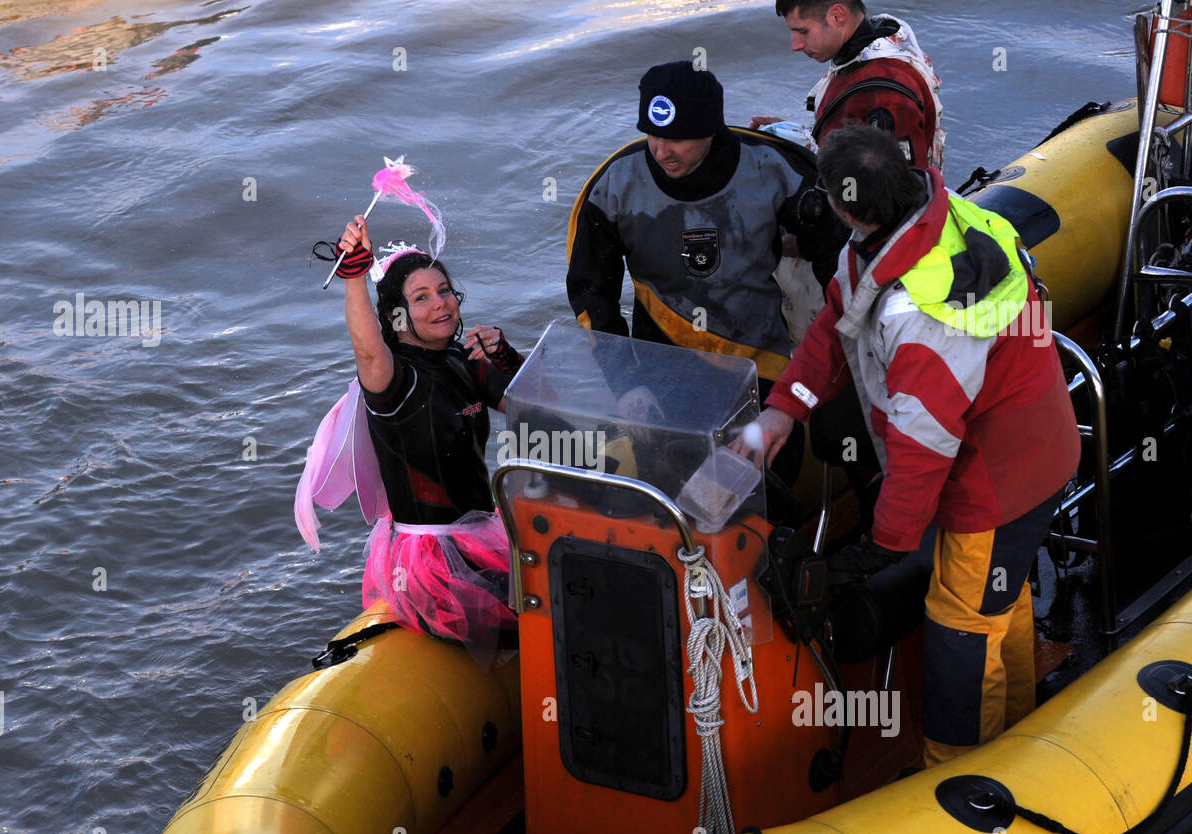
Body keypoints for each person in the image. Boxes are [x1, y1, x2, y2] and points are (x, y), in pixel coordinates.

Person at [735, 124, 1079, 767]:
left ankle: (958, 770)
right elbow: (836, 325)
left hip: (1001, 479)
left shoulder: (922, 318)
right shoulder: (917, 224)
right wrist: (785, 409)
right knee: (1002, 597)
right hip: (1034, 446)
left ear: (844, 207)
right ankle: (1024, 732)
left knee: (961, 624)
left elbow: (922, 451)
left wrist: (878, 550)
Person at [568, 60, 848, 483]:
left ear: (711, 130)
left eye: (677, 138)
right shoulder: (612, 185)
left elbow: (838, 264)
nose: (661, 151)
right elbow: (593, 295)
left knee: (771, 492)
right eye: (653, 133)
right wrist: (625, 384)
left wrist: (806, 387)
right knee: (671, 486)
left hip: (762, 362)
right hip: (662, 361)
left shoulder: (775, 168)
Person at [319, 216, 523, 651]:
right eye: (422, 298)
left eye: (444, 291)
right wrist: (354, 279)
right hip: (432, 564)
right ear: (396, 316)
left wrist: (508, 357)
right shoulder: (394, 383)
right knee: (548, 618)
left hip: (481, 538)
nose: (440, 304)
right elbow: (368, 351)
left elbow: (536, 410)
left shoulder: (461, 359)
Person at [753, 1, 945, 171]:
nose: (795, 45)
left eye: (803, 31)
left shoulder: (884, 93)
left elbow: (895, 191)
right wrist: (795, 139)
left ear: (837, 16)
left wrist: (815, 163)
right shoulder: (862, 56)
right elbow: (856, 142)